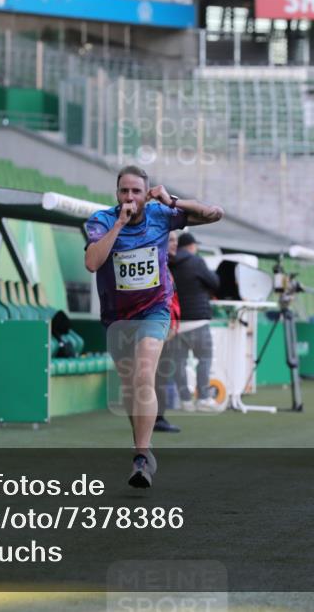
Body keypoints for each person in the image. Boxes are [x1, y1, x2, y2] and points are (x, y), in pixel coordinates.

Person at [84, 166, 223, 488]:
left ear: (147, 193)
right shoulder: (101, 221)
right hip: (117, 316)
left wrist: (174, 200)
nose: (130, 197)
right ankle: (142, 450)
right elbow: (92, 263)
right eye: (124, 191)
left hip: (154, 309)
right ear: (117, 193)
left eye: (136, 191)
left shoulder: (162, 214)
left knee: (145, 374)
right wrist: (119, 223)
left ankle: (141, 455)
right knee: (131, 388)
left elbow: (215, 214)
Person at [169, 232, 222, 412]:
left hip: (176, 323)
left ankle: (185, 400)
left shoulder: (167, 262)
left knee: (179, 363)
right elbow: (214, 282)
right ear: (191, 246)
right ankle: (204, 398)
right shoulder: (196, 261)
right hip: (198, 321)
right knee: (204, 360)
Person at [153, 232, 182, 433]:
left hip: (167, 329)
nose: (175, 245)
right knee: (158, 376)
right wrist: (168, 326)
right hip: (160, 329)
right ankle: (156, 418)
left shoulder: (166, 267)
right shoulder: (158, 266)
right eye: (171, 240)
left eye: (176, 241)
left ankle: (157, 417)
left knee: (160, 375)